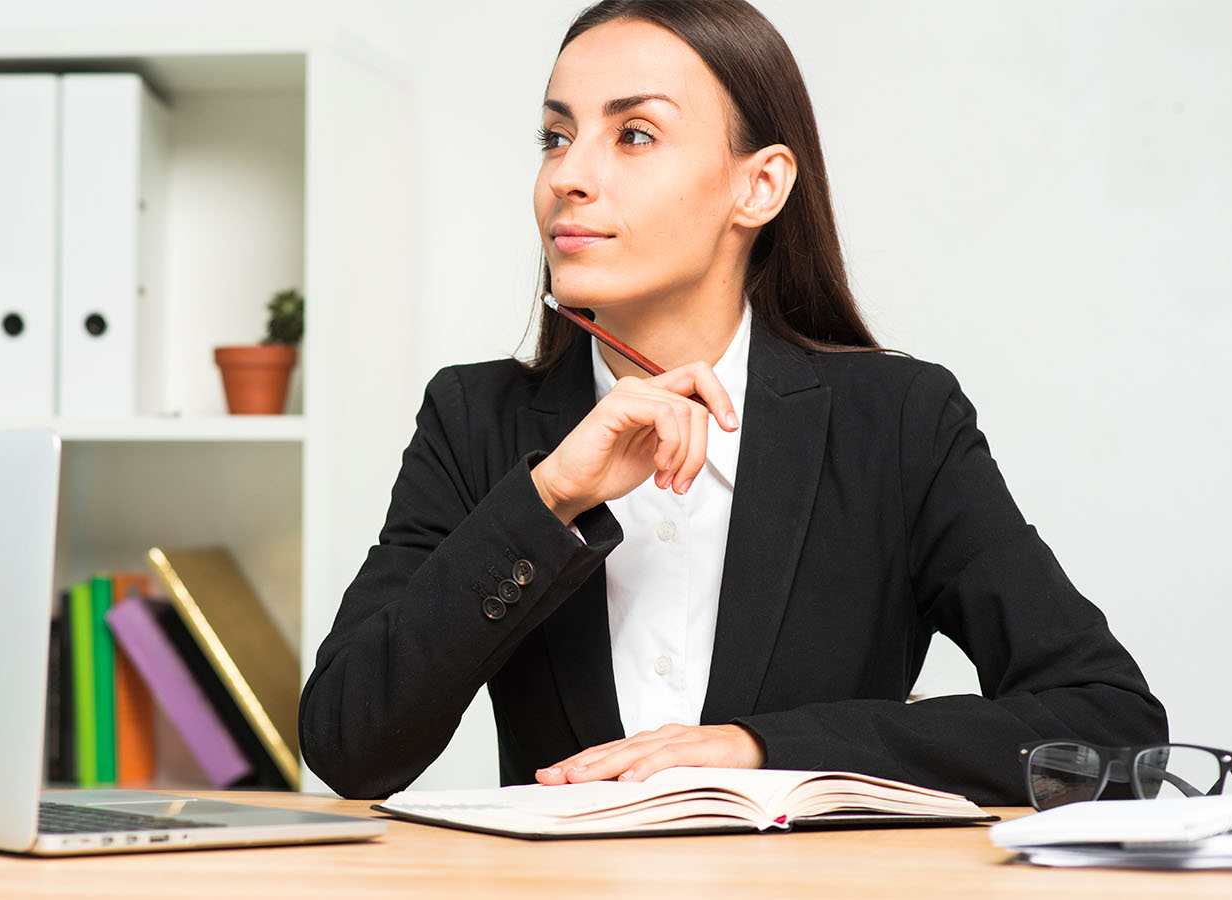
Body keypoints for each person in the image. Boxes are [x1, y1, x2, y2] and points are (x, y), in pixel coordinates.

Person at [299, 0, 1166, 805]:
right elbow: (348, 745)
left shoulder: (898, 422)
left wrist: (758, 749)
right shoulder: (474, 418)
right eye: (555, 137)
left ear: (760, 186)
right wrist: (549, 497)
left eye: (633, 134)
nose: (571, 174)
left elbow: (1113, 728)